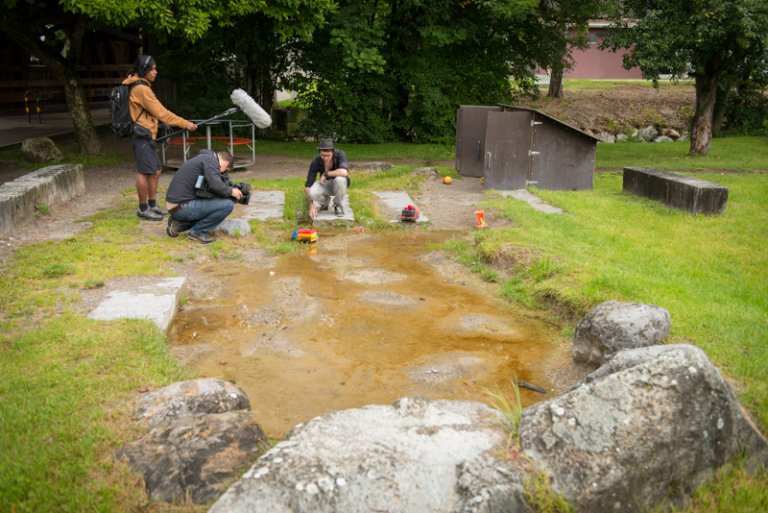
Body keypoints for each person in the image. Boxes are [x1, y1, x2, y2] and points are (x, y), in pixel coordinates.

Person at [124, 54, 198, 221]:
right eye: (153, 69)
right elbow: (161, 112)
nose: (156, 72)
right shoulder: (141, 89)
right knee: (144, 171)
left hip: (146, 135)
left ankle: (152, 204)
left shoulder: (139, 85)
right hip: (141, 135)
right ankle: (143, 209)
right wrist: (184, 123)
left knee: (155, 170)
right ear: (144, 70)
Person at [165, 149, 243, 244]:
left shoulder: (205, 159)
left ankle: (179, 225)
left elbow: (209, 189)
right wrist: (231, 191)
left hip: (176, 206)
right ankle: (197, 232)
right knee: (227, 205)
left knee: (213, 207)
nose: (223, 173)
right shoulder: (211, 162)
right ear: (224, 164)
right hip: (182, 206)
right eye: (225, 170)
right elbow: (215, 185)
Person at [304, 138, 350, 219]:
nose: (325, 158)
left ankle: (338, 205)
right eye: (323, 155)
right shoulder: (316, 161)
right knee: (311, 192)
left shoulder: (340, 154)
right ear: (319, 153)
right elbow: (308, 185)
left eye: (328, 155)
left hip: (339, 184)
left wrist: (326, 174)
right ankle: (325, 202)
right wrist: (311, 205)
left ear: (333, 152)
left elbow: (344, 172)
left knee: (340, 179)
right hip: (325, 184)